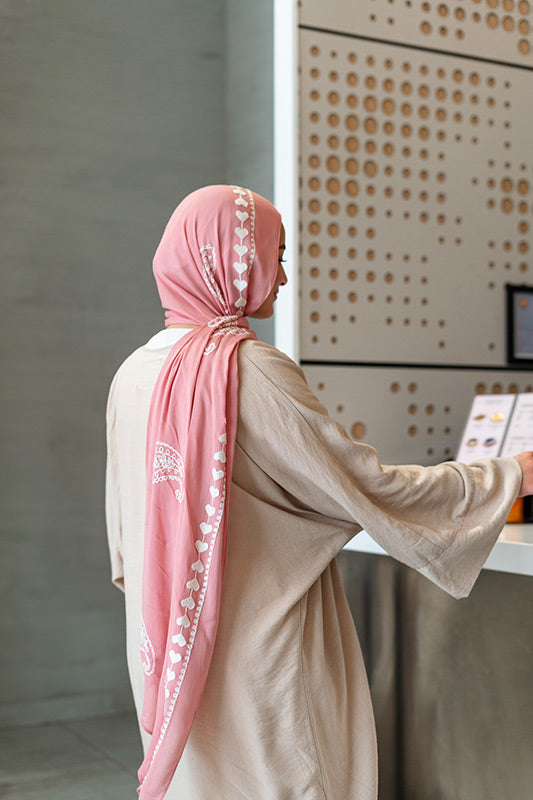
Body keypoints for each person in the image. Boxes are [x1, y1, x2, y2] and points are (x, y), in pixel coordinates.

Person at [106, 184, 533, 800]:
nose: (281, 276)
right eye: (272, 255)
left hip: (170, 646)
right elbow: (364, 488)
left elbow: (126, 535)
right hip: (258, 652)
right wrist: (509, 474)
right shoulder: (248, 370)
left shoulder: (131, 375)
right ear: (225, 257)